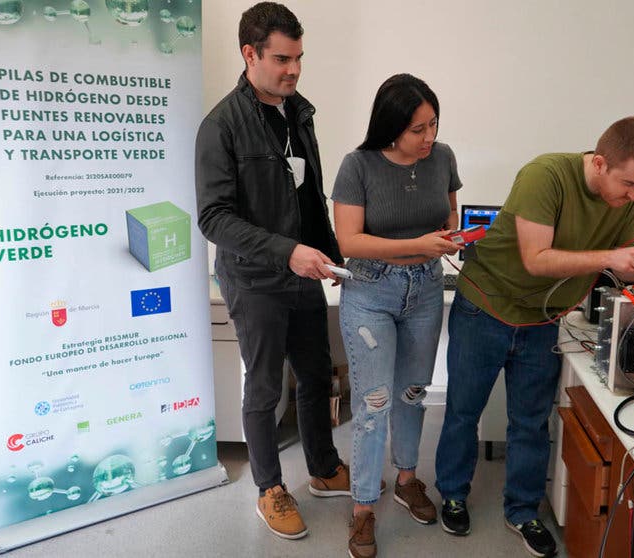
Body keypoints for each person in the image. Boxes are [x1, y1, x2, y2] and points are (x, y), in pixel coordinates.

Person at [434, 117, 634, 557]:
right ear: (601, 163)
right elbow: (536, 259)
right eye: (629, 184)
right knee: (462, 410)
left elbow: (624, 251)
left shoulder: (625, 196)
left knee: (531, 422)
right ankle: (453, 494)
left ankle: (522, 510)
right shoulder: (545, 175)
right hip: (486, 308)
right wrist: (612, 255)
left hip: (542, 321)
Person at [194, 2, 354, 540]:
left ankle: (325, 470)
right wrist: (288, 252)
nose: (294, 69)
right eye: (282, 59)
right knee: (265, 389)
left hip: (304, 273)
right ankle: (270, 488)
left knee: (314, 374)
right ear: (249, 54)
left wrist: (332, 253)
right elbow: (214, 219)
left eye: (299, 58)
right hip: (256, 279)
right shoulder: (221, 126)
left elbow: (309, 196)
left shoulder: (299, 112)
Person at [332, 73, 462, 558]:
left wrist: (450, 235)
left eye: (434, 125)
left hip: (426, 289)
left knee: (413, 393)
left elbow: (450, 215)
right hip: (370, 290)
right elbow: (350, 242)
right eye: (418, 129)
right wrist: (418, 244)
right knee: (374, 403)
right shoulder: (357, 165)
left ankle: (407, 479)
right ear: (391, 127)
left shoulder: (443, 158)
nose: (429, 137)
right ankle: (364, 506)